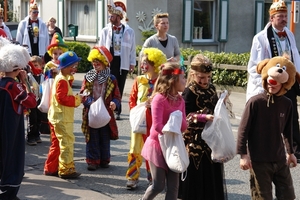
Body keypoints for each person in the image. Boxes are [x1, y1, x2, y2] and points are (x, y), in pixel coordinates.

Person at [246, 0, 300, 161]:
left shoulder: (289, 34)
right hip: (272, 83)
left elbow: (295, 56)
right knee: (270, 117)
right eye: (280, 16)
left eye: (285, 16)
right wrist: (263, 83)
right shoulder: (260, 38)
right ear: (271, 18)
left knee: (291, 114)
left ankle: (295, 149)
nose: (284, 19)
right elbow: (255, 64)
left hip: (288, 82)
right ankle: (268, 148)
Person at [237, 56, 298, 199]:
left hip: (280, 159)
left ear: (285, 84)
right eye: (269, 81)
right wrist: (243, 155)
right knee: (262, 197)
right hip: (259, 161)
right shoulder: (255, 102)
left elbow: (288, 131)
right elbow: (243, 130)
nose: (272, 84)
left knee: (288, 196)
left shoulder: (287, 103)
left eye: (276, 82)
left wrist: (290, 153)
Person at [178, 54, 227, 200]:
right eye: (201, 77)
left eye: (208, 77)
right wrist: (202, 117)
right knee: (196, 179)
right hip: (194, 142)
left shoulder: (211, 89)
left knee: (211, 175)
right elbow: (184, 117)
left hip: (211, 140)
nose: (205, 81)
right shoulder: (189, 91)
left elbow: (215, 108)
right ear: (193, 75)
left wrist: (222, 105)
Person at [140, 62, 187, 200]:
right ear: (173, 80)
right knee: (158, 185)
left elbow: (183, 127)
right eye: (183, 78)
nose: (185, 81)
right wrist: (173, 128)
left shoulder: (181, 100)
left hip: (173, 146)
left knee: (173, 187)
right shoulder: (159, 99)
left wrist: (181, 121)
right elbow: (157, 126)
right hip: (158, 145)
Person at [0, 40, 37, 200]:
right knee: (13, 157)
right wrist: (24, 81)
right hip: (12, 127)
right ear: (16, 68)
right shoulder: (14, 87)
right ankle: (9, 190)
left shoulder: (1, 84)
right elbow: (32, 101)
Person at [125, 48, 167, 189]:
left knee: (152, 150)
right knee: (134, 149)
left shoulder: (161, 83)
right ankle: (132, 177)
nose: (142, 66)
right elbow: (132, 99)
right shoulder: (138, 81)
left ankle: (153, 178)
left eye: (145, 63)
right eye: (141, 63)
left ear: (155, 64)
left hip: (154, 121)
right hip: (139, 121)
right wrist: (135, 112)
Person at [80, 46, 121, 170]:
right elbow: (83, 92)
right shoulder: (88, 77)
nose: (95, 64)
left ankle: (104, 159)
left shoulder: (111, 79)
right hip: (91, 112)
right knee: (92, 137)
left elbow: (117, 95)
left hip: (105, 113)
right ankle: (92, 160)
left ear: (104, 63)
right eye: (93, 62)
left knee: (104, 136)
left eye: (98, 62)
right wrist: (90, 102)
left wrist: (114, 103)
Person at [44, 51, 82, 179]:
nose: (75, 69)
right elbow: (63, 98)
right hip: (62, 118)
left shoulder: (61, 78)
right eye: (73, 66)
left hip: (56, 117)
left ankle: (51, 168)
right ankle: (66, 169)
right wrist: (78, 100)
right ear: (65, 67)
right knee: (67, 142)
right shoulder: (62, 80)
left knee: (56, 143)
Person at [99, 0, 136, 120]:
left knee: (120, 86)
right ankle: (107, 108)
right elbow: (101, 47)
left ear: (119, 16)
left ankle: (118, 111)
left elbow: (132, 48)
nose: (110, 17)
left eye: (112, 16)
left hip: (123, 61)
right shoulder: (105, 30)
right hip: (110, 61)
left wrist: (132, 63)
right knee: (109, 85)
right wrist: (100, 61)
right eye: (109, 15)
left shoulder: (129, 31)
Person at [25, 56, 45, 145]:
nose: (34, 68)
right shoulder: (28, 76)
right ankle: (31, 136)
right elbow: (25, 85)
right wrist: (29, 87)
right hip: (32, 100)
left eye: (36, 65)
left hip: (40, 99)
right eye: (31, 66)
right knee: (33, 118)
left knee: (39, 118)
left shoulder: (43, 76)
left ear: (41, 66)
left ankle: (37, 134)